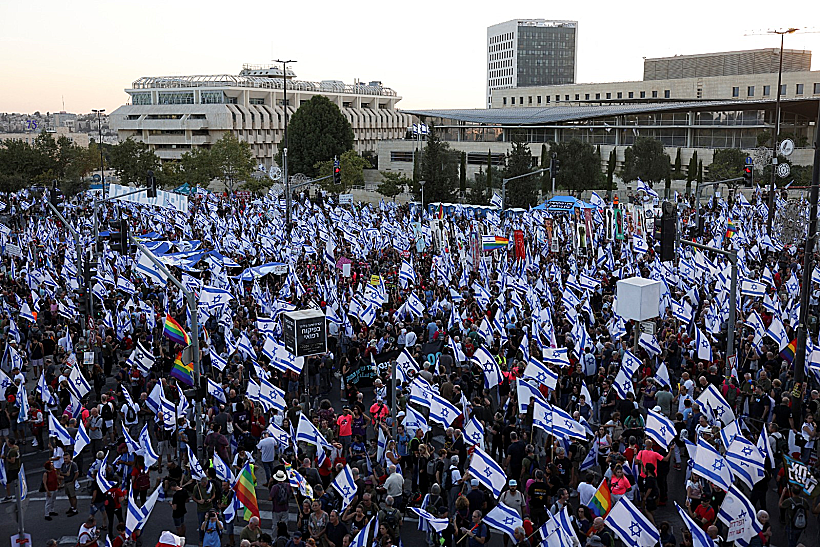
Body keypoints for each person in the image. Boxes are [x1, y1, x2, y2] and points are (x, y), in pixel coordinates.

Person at [59, 452, 80, 516]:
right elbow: (61, 472)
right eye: (64, 459)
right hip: (66, 482)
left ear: (69, 458)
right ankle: (72, 507)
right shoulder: (63, 465)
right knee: (69, 495)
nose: (65, 460)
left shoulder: (73, 465)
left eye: (66, 458)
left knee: (73, 496)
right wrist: (66, 474)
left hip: (70, 482)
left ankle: (75, 509)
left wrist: (73, 481)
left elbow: (77, 473)